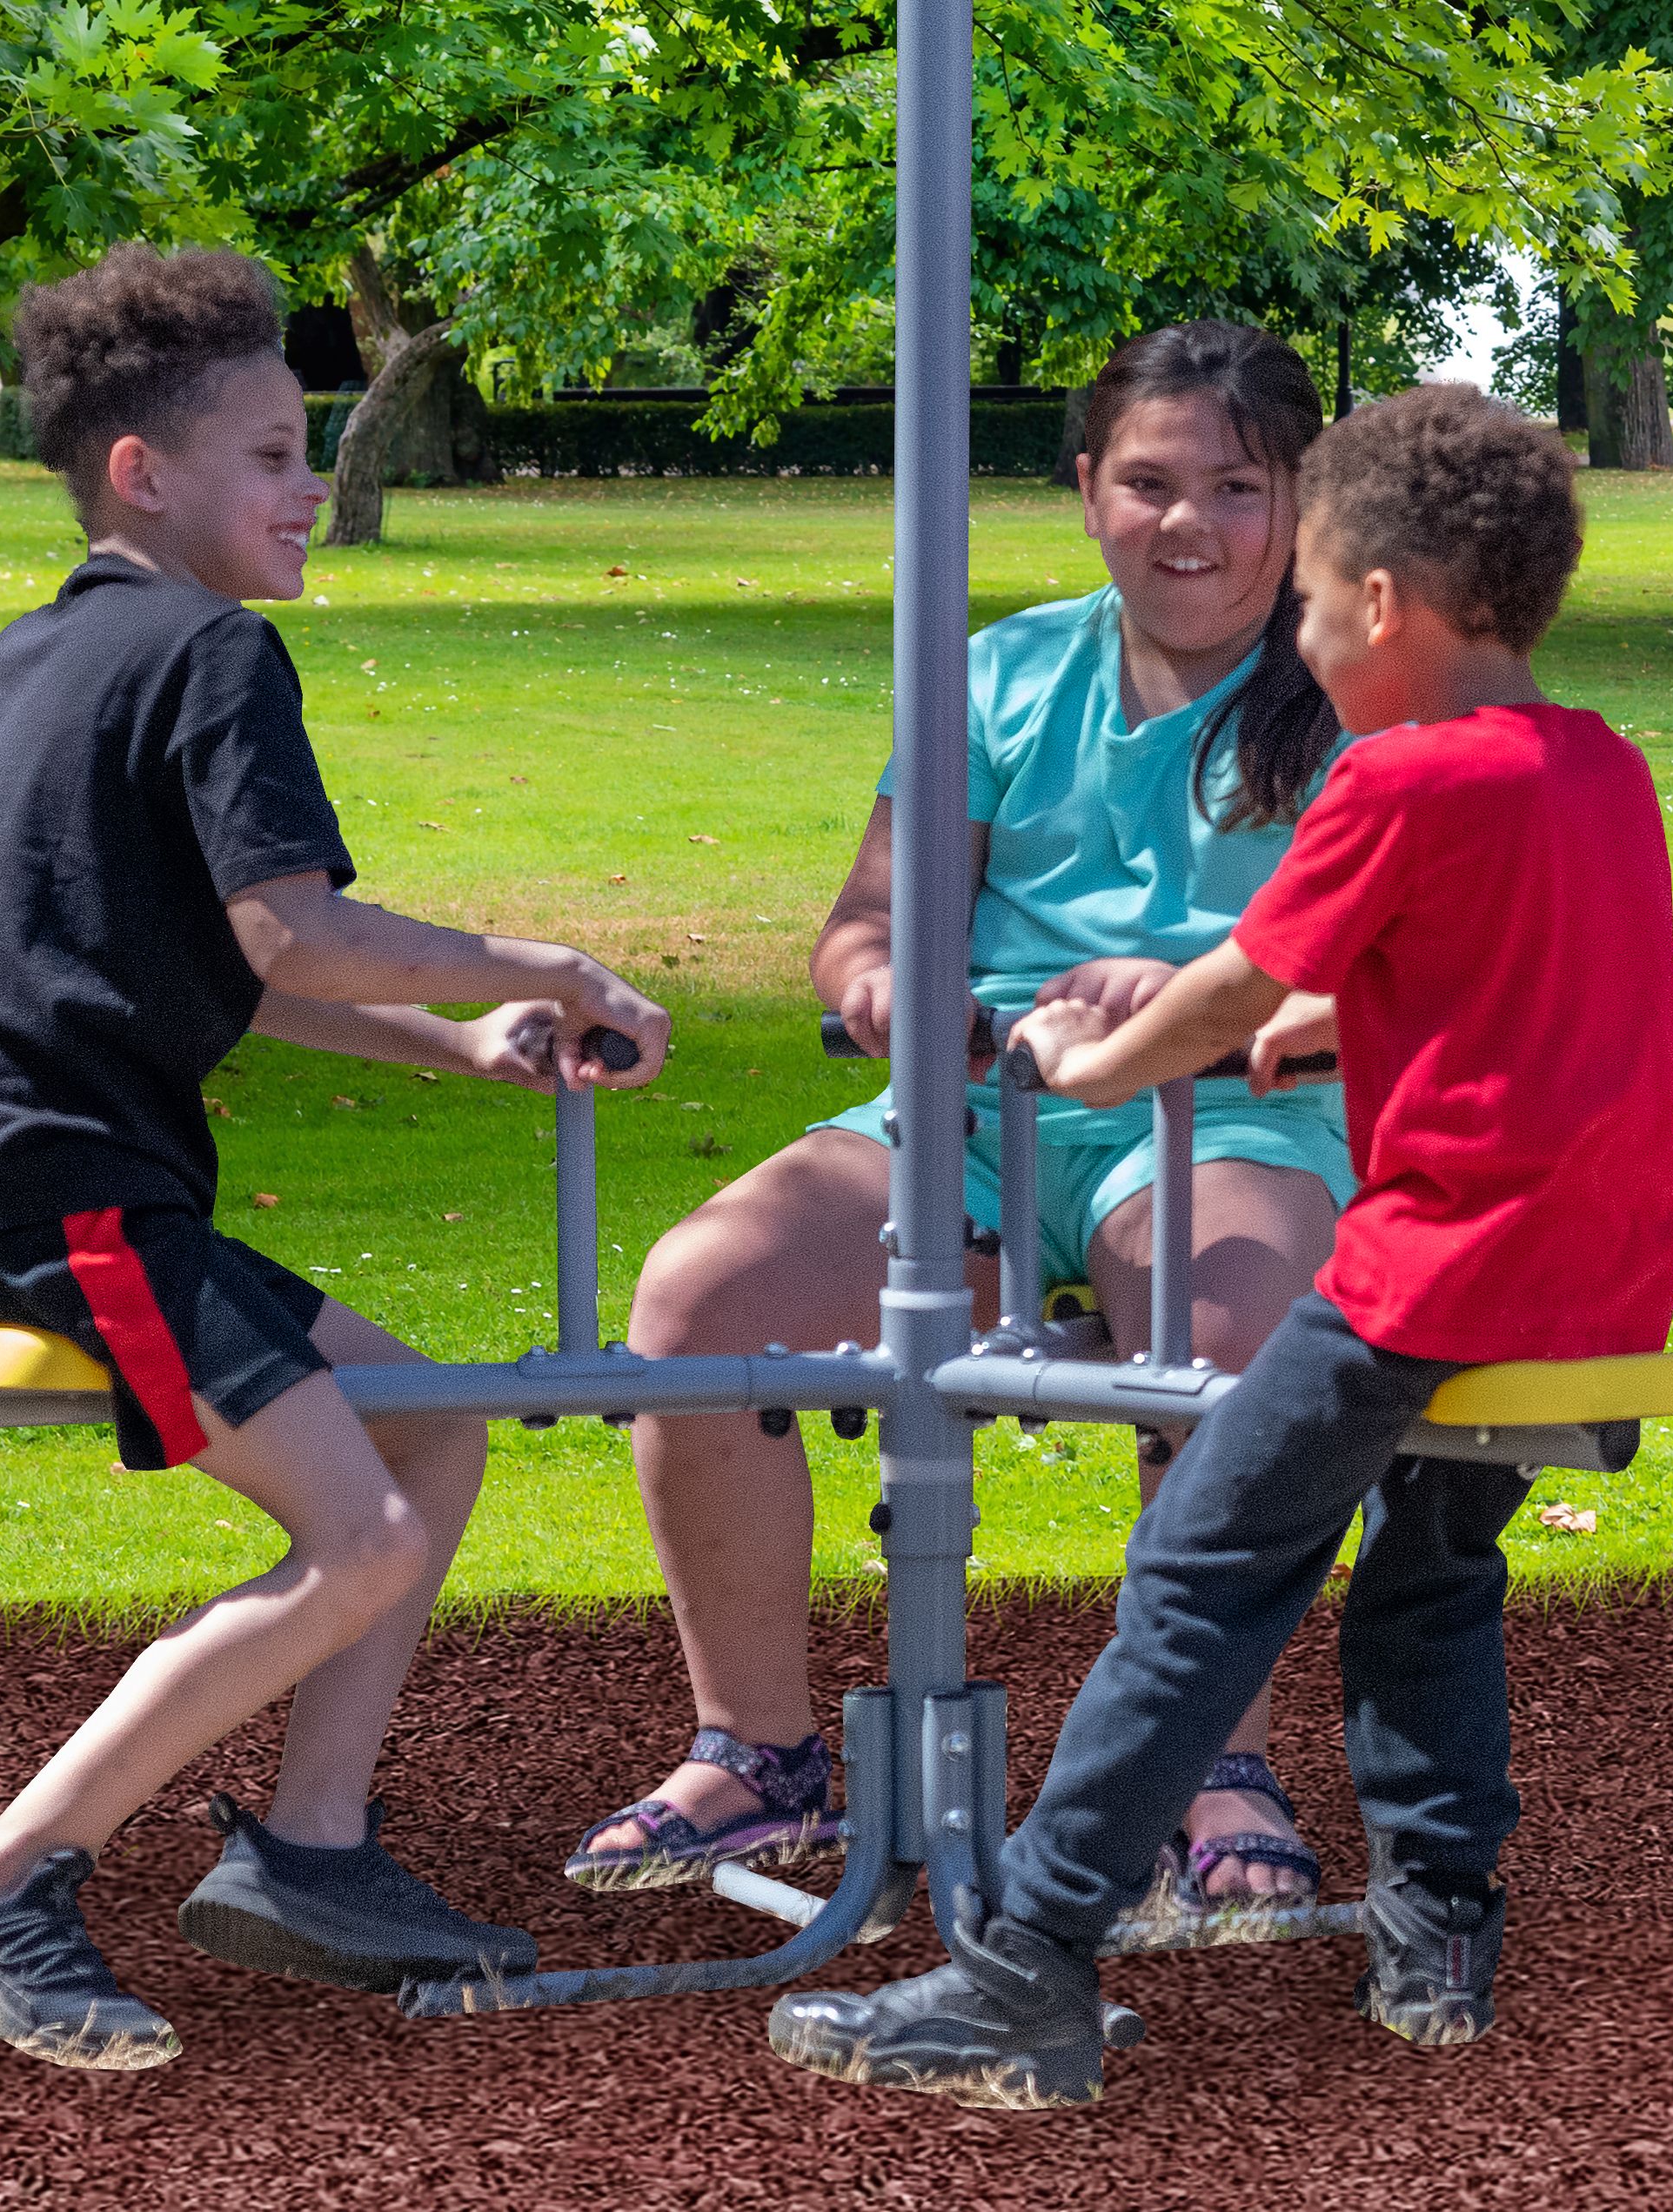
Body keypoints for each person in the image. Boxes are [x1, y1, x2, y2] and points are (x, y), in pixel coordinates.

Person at [766, 381, 1673, 2108]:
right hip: (1595, 1267)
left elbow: (1226, 986)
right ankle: (1433, 1922)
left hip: (1432, 1271)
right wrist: (1337, 1027)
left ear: (1380, 607)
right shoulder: (1595, 766)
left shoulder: (1396, 777)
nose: (1301, 635)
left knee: (1198, 1567)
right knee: (1428, 1570)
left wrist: (1089, 1059)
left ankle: (1019, 1962)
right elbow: (1525, 992)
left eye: (1315, 594)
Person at [0, 245, 669, 2070]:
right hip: (68, 1192)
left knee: (426, 1407)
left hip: (35, 1172)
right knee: (358, 1532)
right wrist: (539, 966)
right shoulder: (215, 650)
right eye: (273, 451)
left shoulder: (51, 646)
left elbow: (224, 958)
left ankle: (311, 1851)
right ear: (145, 472)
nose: (313, 484)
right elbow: (299, 932)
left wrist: (457, 1036)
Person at [572, 324, 1356, 1921]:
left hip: (1223, 1115)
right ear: (1084, 491)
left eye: (1234, 486)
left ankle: (1213, 1763)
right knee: (695, 1296)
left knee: (1214, 1342)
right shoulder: (999, 673)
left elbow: (1386, 960)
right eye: (1146, 482)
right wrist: (882, 985)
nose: (1187, 524)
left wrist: (1193, 999)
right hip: (980, 1109)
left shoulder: (1346, 691)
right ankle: (761, 1751)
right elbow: (865, 924)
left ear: (1300, 502)